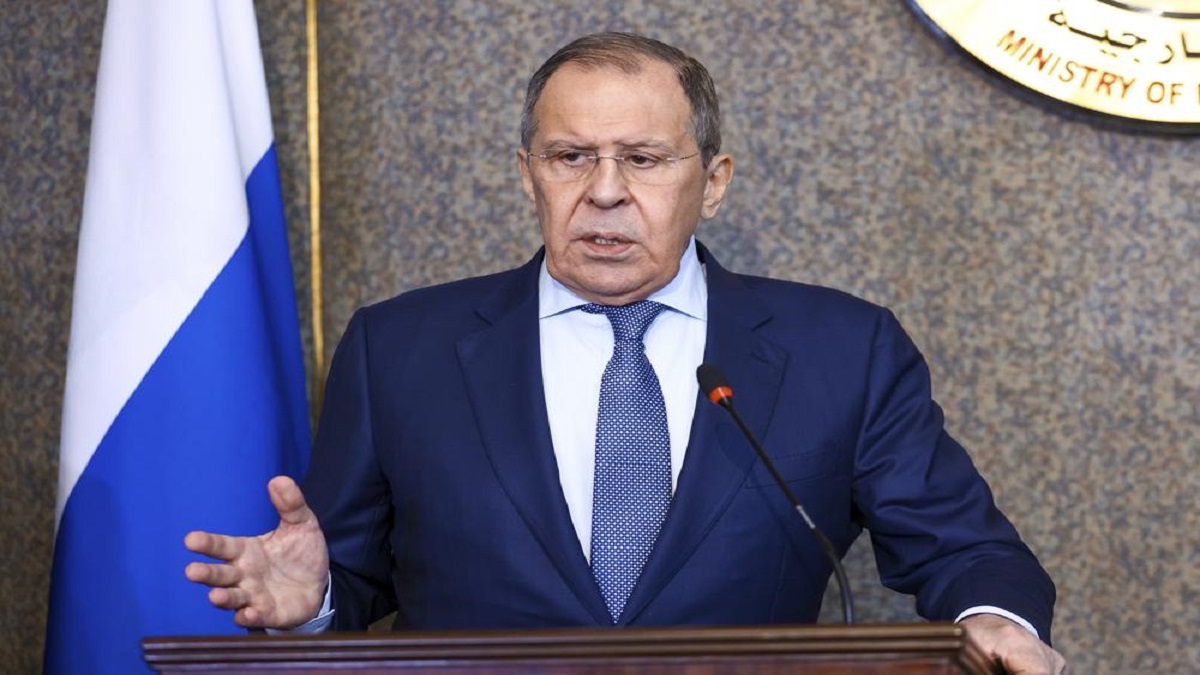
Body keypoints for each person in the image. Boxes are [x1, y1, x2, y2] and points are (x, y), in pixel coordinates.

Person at [186, 32, 1067, 674]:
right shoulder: (400, 348)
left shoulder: (841, 349)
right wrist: (314, 602)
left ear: (712, 182)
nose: (605, 192)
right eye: (571, 156)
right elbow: (348, 575)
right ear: (528, 175)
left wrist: (997, 622)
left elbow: (965, 550)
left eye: (644, 159)